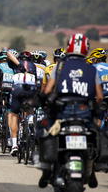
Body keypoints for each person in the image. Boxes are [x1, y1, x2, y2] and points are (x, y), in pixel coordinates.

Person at [39, 34, 103, 186]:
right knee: (93, 138)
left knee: (46, 131)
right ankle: (92, 170)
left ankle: (46, 169)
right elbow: (99, 96)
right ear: (86, 49)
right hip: (84, 114)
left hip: (63, 113)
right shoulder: (92, 69)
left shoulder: (59, 66)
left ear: (68, 47)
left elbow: (47, 90)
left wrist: (42, 100)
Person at [7, 50, 37, 156]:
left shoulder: (16, 64)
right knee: (29, 110)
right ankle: (29, 120)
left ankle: (14, 145)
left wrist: (18, 63)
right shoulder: (33, 66)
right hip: (31, 88)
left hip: (18, 88)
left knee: (13, 114)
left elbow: (8, 53)